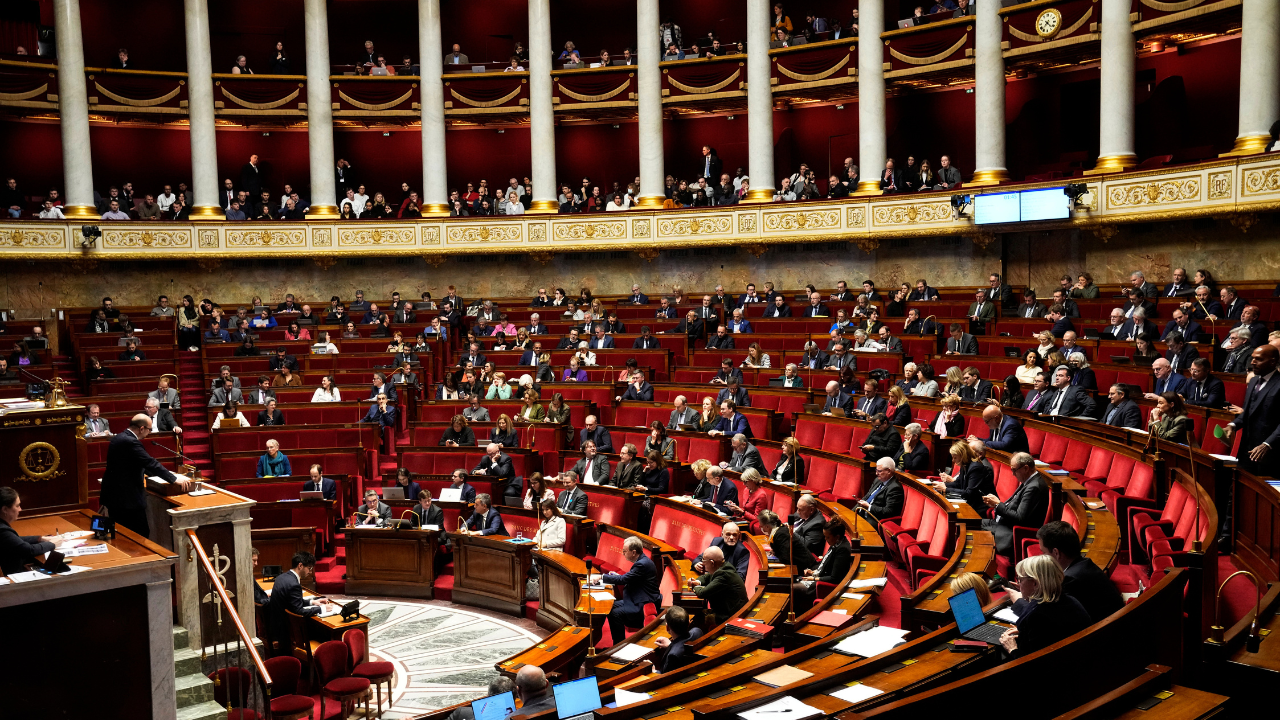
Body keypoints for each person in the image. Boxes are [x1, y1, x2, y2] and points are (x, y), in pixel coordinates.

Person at [100, 414, 192, 536]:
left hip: (116, 496)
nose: (150, 432)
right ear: (142, 428)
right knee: (139, 534)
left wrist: (168, 474)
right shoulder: (130, 442)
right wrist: (173, 479)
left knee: (123, 534)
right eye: (149, 429)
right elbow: (149, 462)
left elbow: (138, 463)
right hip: (126, 499)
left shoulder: (119, 437)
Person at [998, 554, 1091, 661]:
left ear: (1035, 583)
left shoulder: (1037, 617)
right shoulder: (1069, 600)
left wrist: (1012, 649)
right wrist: (1026, 632)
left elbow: (1036, 665)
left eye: (1020, 579)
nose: (1019, 584)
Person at [1030, 521, 1124, 623]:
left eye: (1043, 552)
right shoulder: (1085, 564)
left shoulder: (1070, 580)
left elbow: (1056, 618)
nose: (1041, 557)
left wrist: (1022, 599)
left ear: (1056, 553)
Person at [981, 452, 1050, 557]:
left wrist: (998, 505)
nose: (1013, 474)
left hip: (1012, 534)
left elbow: (1019, 518)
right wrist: (996, 505)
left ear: (1026, 468)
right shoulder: (1029, 482)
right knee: (973, 522)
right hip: (1004, 525)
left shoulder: (1034, 487)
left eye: (1014, 470)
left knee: (974, 531)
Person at [267, 553, 337, 655]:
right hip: (286, 632)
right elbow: (298, 611)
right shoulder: (294, 584)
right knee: (325, 632)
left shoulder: (281, 577)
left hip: (275, 626)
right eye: (309, 568)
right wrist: (322, 609)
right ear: (300, 566)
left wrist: (312, 602)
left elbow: (292, 602)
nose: (310, 571)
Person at [602, 536, 664, 642]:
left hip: (644, 603)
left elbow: (624, 579)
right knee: (610, 606)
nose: (623, 553)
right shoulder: (642, 561)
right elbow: (632, 577)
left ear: (634, 552)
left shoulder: (642, 564)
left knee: (615, 613)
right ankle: (618, 642)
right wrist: (618, 576)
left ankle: (619, 644)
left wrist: (602, 577)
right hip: (638, 598)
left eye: (625, 551)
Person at [793, 517, 853, 608]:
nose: (825, 539)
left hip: (822, 586)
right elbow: (826, 563)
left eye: (827, 537)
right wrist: (813, 572)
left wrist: (813, 579)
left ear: (837, 536)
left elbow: (834, 578)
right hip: (819, 576)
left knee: (791, 588)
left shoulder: (843, 549)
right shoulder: (836, 543)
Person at [0, 487, 62, 575]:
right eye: (17, 506)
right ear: (5, 509)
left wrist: (40, 539)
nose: (20, 509)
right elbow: (28, 550)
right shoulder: (2, 530)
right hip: (12, 580)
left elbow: (15, 540)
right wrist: (53, 544)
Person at [688, 545, 749, 623]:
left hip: (731, 616)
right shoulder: (722, 566)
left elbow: (702, 593)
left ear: (712, 563)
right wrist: (698, 582)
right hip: (727, 609)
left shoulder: (723, 575)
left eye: (704, 561)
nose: (703, 564)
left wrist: (694, 586)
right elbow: (706, 577)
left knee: (698, 621)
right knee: (697, 616)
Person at [933, 440, 995, 512]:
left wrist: (946, 489)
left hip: (980, 506)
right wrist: (943, 484)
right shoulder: (965, 465)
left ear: (963, 456)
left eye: (955, 457)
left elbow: (969, 493)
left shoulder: (976, 468)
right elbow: (958, 483)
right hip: (970, 502)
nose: (953, 460)